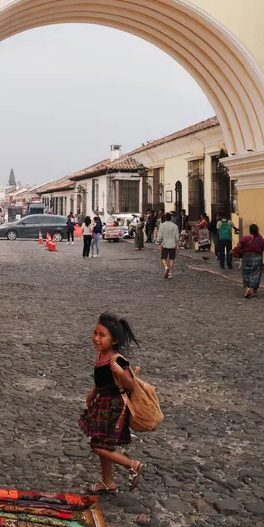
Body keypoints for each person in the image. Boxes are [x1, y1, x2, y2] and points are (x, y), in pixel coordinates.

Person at [79, 313, 144, 493]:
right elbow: (102, 380)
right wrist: (94, 392)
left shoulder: (117, 360)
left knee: (98, 446)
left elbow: (131, 385)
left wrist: (120, 372)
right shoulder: (101, 355)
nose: (96, 338)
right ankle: (107, 481)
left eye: (102, 335)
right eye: (95, 333)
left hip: (113, 407)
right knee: (103, 442)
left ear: (114, 340)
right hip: (103, 402)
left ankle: (133, 464)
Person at [233, 224, 264, 298]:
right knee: (256, 274)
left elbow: (239, 246)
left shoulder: (245, 238)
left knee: (246, 273)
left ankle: (248, 288)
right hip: (257, 258)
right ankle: (255, 291)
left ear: (250, 230)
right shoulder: (260, 240)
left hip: (247, 257)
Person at [157, 211, 180, 279]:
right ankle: (170, 273)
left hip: (165, 244)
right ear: (171, 218)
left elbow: (160, 236)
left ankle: (166, 267)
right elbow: (177, 237)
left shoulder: (162, 225)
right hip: (172, 244)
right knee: (172, 259)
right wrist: (177, 245)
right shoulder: (175, 226)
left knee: (163, 258)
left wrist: (159, 242)